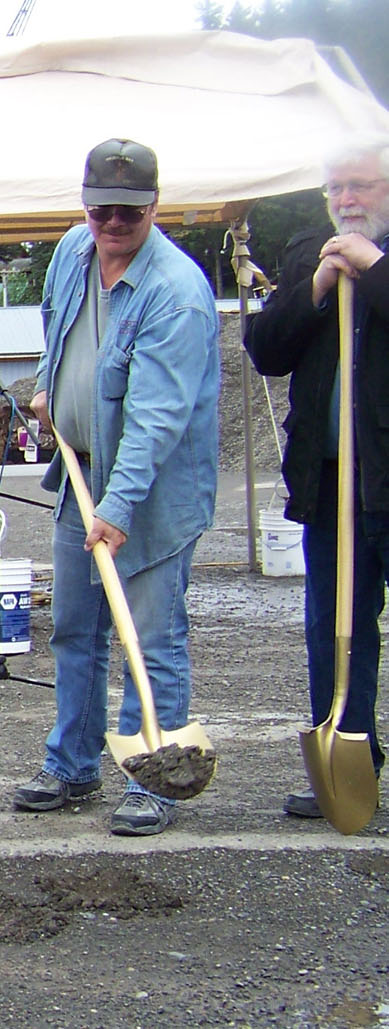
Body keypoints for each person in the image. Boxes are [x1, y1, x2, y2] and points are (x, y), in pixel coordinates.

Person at [18, 138, 220, 836]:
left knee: (149, 639)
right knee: (76, 629)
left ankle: (151, 779)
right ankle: (72, 763)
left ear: (153, 207)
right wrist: (48, 386)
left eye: (127, 213)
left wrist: (118, 506)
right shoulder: (73, 251)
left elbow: (156, 418)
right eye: (100, 208)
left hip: (150, 494)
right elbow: (57, 327)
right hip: (80, 474)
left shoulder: (176, 294)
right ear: (84, 203)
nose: (111, 223)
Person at [244, 135, 389, 818]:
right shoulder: (310, 252)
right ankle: (346, 753)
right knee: (335, 627)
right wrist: (318, 287)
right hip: (332, 483)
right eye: (336, 188)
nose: (346, 201)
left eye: (359, 185)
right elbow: (265, 348)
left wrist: (376, 271)